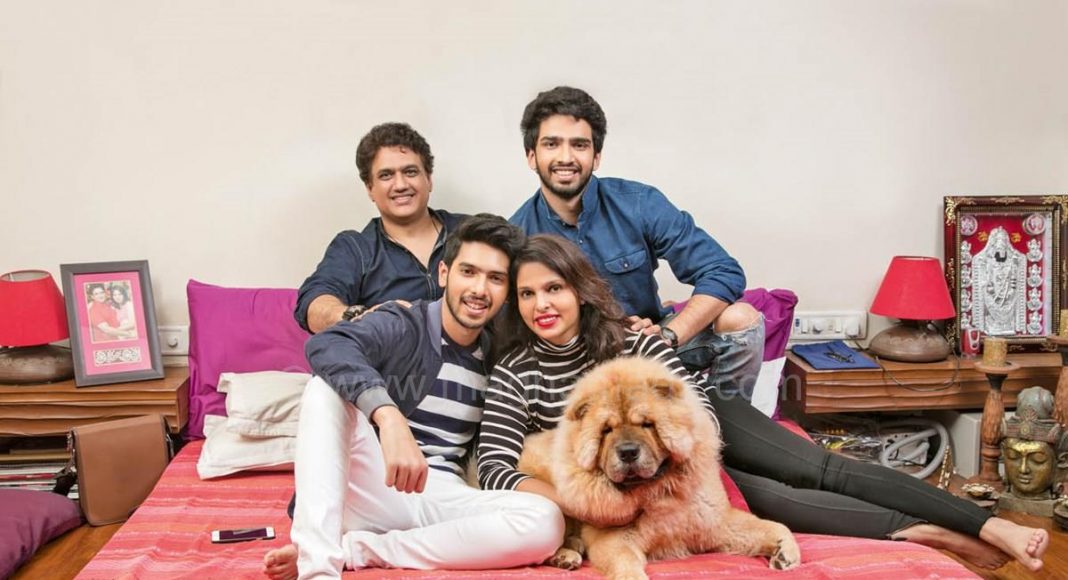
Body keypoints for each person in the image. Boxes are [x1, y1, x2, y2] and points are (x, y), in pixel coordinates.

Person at [477, 234, 1050, 572]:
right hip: (638, 479)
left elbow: (692, 408)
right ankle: (918, 531)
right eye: (527, 294)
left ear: (578, 290)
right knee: (782, 501)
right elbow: (498, 469)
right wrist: (590, 502)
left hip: (701, 431)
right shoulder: (514, 372)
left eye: (553, 288)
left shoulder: (631, 337)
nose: (541, 304)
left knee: (816, 466)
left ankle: (988, 523)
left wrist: (693, 467)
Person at [264, 215, 562, 579]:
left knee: (544, 520)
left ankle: (357, 549)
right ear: (443, 274)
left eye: (495, 279)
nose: (480, 289)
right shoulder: (404, 322)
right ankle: (319, 569)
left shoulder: (501, 352)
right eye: (468, 272)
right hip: (377, 483)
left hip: (442, 493)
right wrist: (388, 416)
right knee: (324, 389)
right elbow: (328, 344)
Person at [510, 86, 763, 400]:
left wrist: (668, 335)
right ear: (531, 156)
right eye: (551, 144)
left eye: (579, 145)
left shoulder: (639, 203)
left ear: (596, 156)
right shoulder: (517, 235)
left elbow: (723, 271)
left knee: (741, 320)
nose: (566, 157)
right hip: (573, 371)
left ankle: (723, 422)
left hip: (653, 351)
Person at [295, 122, 467, 334]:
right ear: (370, 189)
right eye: (386, 175)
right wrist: (362, 317)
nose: (401, 185)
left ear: (429, 180)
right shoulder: (355, 248)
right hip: (393, 353)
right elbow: (313, 304)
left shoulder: (471, 232)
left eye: (410, 172)